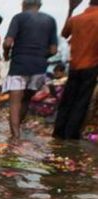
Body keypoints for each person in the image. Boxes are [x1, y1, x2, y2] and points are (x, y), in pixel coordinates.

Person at [3, 0, 58, 139]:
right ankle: (17, 131)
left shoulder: (19, 18)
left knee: (15, 102)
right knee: (26, 100)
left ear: (23, 5)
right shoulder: (50, 20)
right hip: (39, 66)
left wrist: (5, 54)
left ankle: (15, 136)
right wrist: (40, 55)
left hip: (19, 64)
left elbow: (8, 42)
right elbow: (53, 50)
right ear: (39, 5)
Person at [53, 0, 98, 140]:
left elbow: (64, 34)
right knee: (81, 102)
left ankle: (58, 133)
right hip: (91, 65)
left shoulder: (76, 19)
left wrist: (70, 10)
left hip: (74, 66)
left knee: (67, 100)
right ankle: (71, 136)